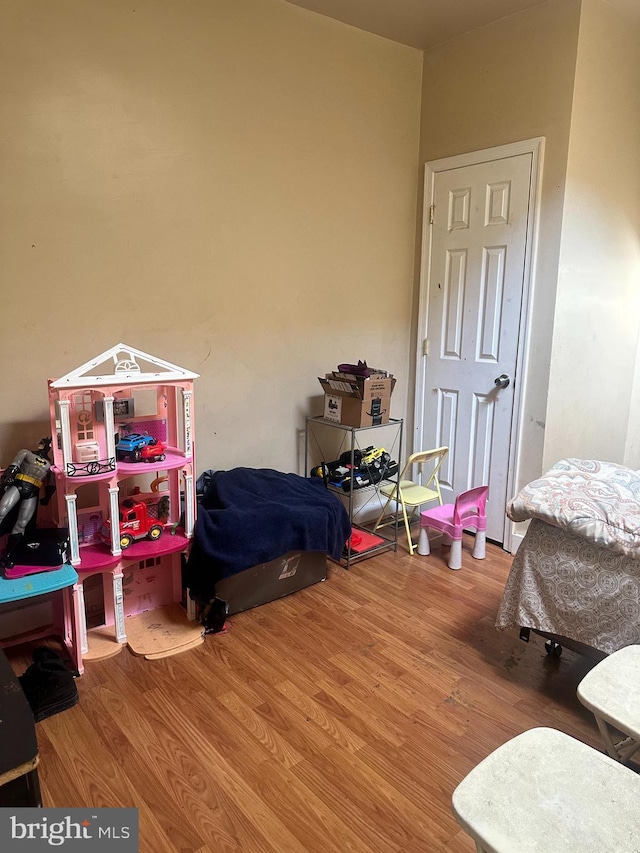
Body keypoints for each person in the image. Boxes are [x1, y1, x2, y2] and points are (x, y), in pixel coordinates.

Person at [0, 437, 54, 567]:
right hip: (19, 485)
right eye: (44, 443)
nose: (46, 446)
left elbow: (51, 484)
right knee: (1, 511)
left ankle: (8, 556)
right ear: (40, 444)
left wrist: (47, 497)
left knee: (22, 524)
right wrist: (3, 485)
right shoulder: (26, 452)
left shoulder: (49, 464)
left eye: (48, 445)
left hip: (33, 491)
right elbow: (13, 467)